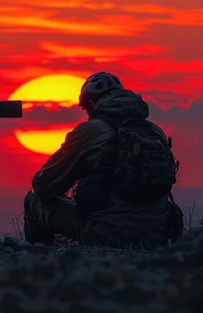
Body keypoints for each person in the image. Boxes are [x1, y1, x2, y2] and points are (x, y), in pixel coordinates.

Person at [23, 72, 182, 249]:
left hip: (108, 234)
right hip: (156, 237)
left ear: (91, 104)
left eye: (85, 109)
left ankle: (39, 264)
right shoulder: (155, 131)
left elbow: (43, 185)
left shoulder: (90, 131)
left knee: (34, 201)